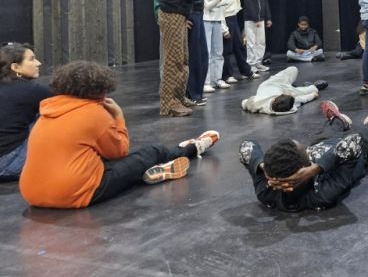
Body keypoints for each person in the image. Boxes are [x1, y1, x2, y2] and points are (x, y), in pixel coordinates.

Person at [19, 60, 219, 208]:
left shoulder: (47, 111)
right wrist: (118, 117)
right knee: (149, 153)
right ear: (99, 90)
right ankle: (190, 149)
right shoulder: (93, 113)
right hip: (73, 194)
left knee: (106, 160)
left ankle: (156, 170)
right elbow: (119, 152)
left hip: (32, 194)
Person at [239, 97, 368, 212]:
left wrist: (265, 168)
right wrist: (316, 169)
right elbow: (354, 142)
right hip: (353, 154)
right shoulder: (322, 195)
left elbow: (246, 145)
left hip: (322, 144)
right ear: (304, 167)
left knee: (328, 131)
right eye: (302, 150)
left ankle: (337, 120)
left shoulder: (267, 192)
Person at [158, 0, 197, 117]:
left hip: (179, 14)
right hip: (171, 14)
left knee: (183, 58)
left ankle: (179, 97)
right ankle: (168, 104)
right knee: (173, 60)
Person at [0, 44, 48, 180]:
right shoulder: (32, 89)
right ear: (15, 67)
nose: (38, 63)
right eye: (32, 59)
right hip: (8, 164)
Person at [216, 0, 255, 83]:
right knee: (227, 49)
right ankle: (227, 75)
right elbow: (219, 14)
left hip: (234, 20)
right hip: (225, 21)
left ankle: (246, 72)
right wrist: (224, 30)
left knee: (239, 47)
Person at [240, 66, 322, 114]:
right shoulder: (288, 105)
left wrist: (247, 105)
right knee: (313, 89)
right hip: (284, 89)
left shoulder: (255, 102)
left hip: (270, 84)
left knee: (293, 69)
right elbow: (302, 99)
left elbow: (244, 102)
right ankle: (309, 87)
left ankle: (292, 86)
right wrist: (313, 95)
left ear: (274, 98)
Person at [200, 0, 231, 90]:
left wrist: (218, 0)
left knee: (218, 52)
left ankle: (217, 79)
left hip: (218, 19)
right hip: (206, 19)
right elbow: (207, 6)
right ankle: (206, 82)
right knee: (207, 52)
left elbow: (223, 1)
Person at [185, 0, 210, 101]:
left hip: (198, 15)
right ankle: (192, 94)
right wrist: (185, 16)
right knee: (195, 56)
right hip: (193, 15)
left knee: (202, 55)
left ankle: (197, 93)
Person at [243, 0, 272, 73]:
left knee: (261, 42)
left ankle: (258, 63)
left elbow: (265, 2)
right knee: (251, 42)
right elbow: (248, 3)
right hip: (251, 19)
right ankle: (251, 64)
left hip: (261, 19)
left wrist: (268, 18)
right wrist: (256, 18)